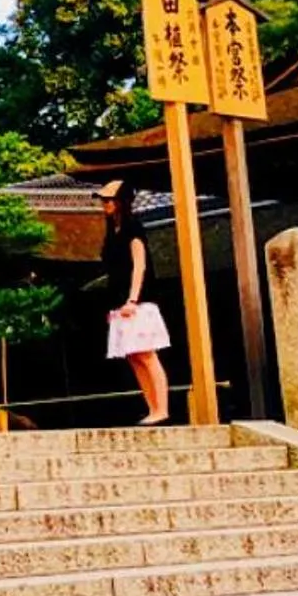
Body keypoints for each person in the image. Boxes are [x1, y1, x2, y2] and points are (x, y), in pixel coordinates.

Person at [99, 180, 172, 424]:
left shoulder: (133, 228)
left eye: (108, 200)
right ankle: (152, 408)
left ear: (120, 202)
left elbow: (139, 265)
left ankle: (162, 408)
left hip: (137, 301)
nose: (104, 204)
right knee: (133, 356)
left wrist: (133, 298)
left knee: (147, 354)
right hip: (120, 302)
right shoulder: (112, 231)